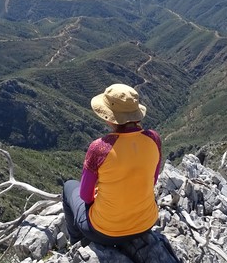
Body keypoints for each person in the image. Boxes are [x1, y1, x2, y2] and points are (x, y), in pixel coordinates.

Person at [62, 83, 162, 246]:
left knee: (68, 186)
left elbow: (85, 196)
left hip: (105, 232)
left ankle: (77, 242)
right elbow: (153, 180)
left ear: (109, 115)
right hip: (146, 224)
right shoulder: (154, 138)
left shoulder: (100, 148)